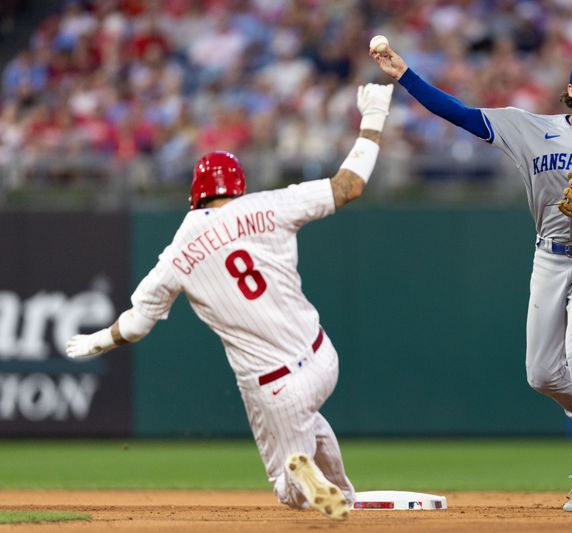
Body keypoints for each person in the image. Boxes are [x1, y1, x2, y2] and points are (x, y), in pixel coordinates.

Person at [65, 83, 395, 521]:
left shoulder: (179, 252)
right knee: (309, 424)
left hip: (275, 386)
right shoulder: (270, 206)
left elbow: (137, 326)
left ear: (195, 192)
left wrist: (100, 341)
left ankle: (303, 478)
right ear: (238, 186)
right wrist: (373, 116)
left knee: (288, 489)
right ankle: (344, 493)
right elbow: (349, 186)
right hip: (322, 357)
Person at [371, 45, 572, 511]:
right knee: (541, 374)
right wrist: (404, 73)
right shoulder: (531, 128)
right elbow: (460, 115)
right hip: (549, 257)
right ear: (570, 90)